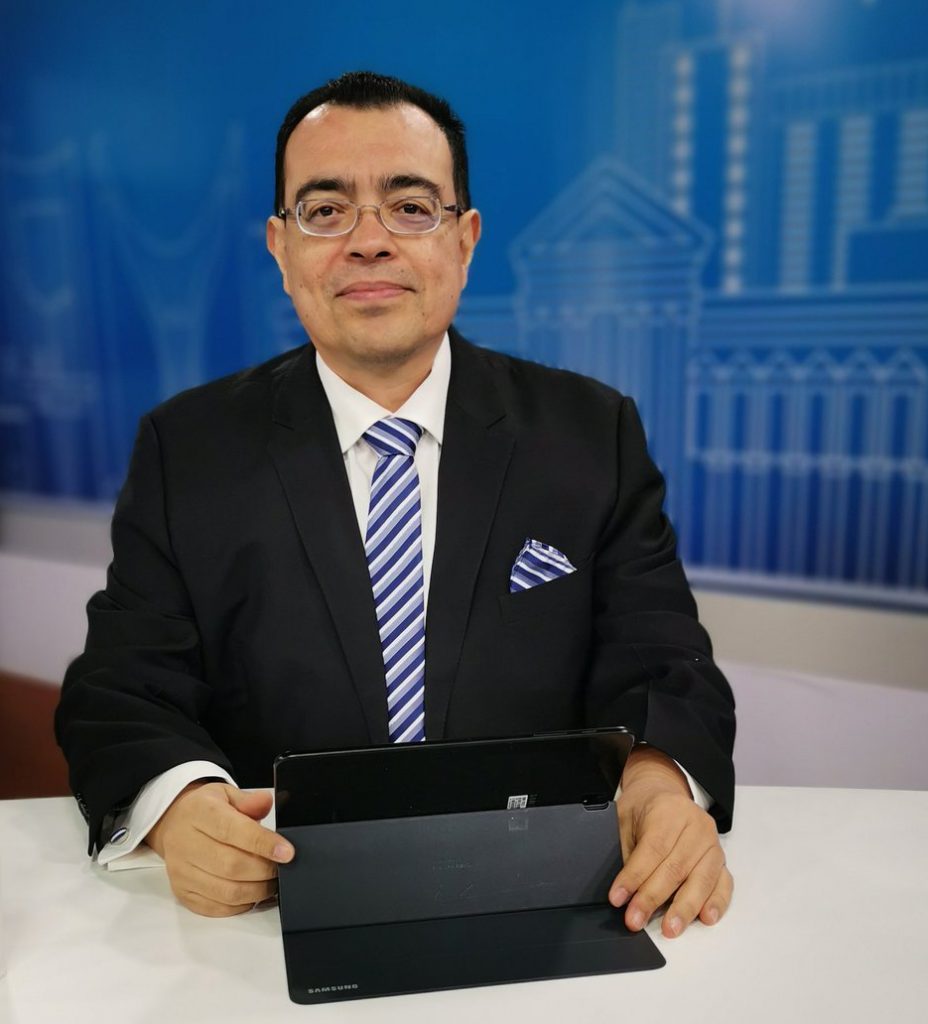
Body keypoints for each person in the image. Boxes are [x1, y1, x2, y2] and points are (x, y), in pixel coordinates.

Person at [55, 71, 735, 938]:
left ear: (465, 239)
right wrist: (180, 804)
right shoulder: (186, 450)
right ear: (280, 247)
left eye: (411, 208)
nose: (369, 242)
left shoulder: (589, 433)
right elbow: (122, 684)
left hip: (548, 897)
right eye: (326, 211)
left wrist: (658, 781)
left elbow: (664, 654)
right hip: (276, 911)